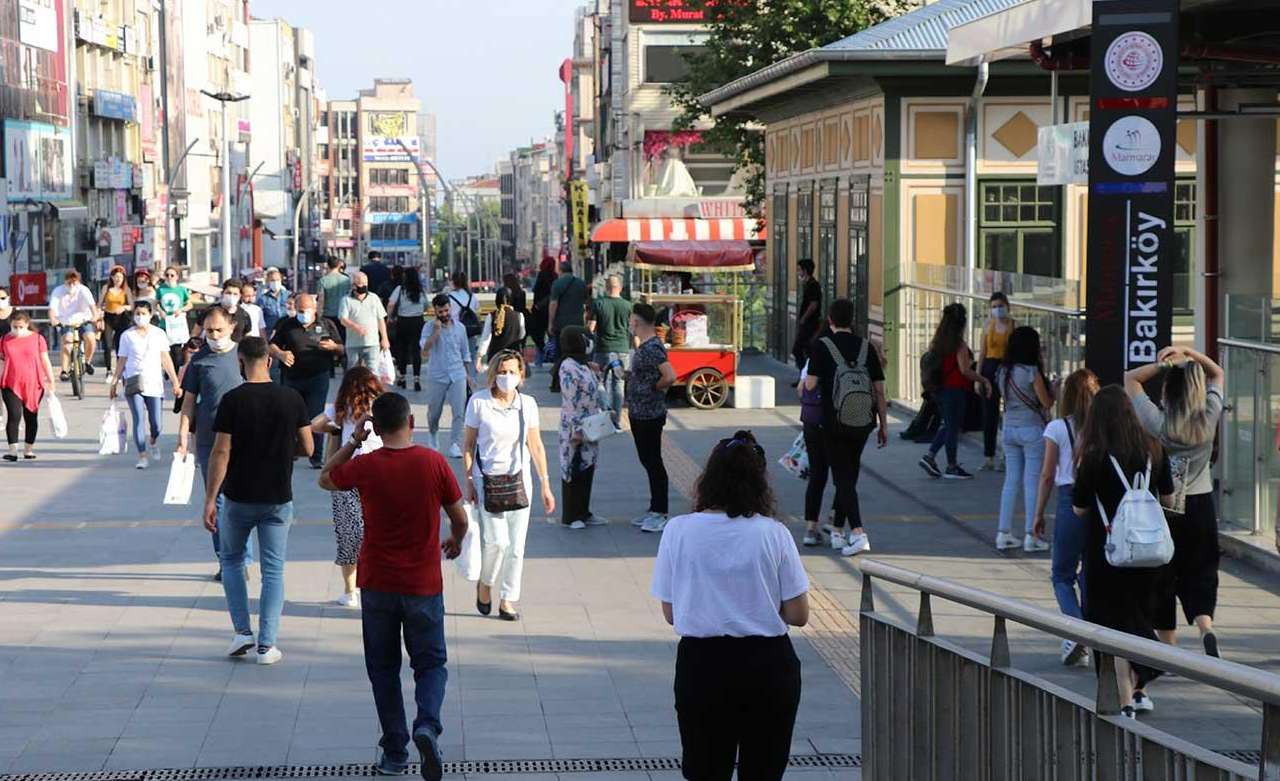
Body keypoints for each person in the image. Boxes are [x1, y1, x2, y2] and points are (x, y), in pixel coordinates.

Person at [319, 392, 467, 780]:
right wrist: (456, 540)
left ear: (377, 428)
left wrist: (353, 439)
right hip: (423, 584)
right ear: (411, 423)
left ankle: (395, 753)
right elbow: (459, 515)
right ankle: (427, 725)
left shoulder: (366, 465)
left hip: (378, 584)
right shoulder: (433, 462)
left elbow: (324, 478)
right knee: (431, 663)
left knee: (383, 669)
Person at [651, 430, 809, 781]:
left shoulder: (678, 531)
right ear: (760, 482)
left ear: (708, 479)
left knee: (705, 768)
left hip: (702, 666)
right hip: (768, 666)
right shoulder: (773, 533)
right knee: (763, 771)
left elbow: (671, 612)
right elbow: (799, 615)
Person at [202, 336, 312, 666]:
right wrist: (284, 452)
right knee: (273, 571)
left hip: (238, 497)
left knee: (233, 561)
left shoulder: (233, 400)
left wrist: (210, 499)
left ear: (240, 362)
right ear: (269, 361)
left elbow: (221, 451)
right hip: (278, 497)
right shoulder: (291, 398)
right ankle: (267, 644)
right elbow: (308, 447)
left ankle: (242, 632)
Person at [1072, 385, 1174, 719]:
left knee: (1109, 624)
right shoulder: (1154, 450)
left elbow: (1079, 508)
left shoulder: (1094, 457)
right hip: (1148, 555)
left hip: (1108, 554)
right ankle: (1139, 686)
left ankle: (1126, 697)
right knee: (1138, 618)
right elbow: (1169, 500)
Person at [1125, 346, 1225, 658]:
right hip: (1201, 504)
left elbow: (1130, 380)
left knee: (1163, 574)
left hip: (1166, 506)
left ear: (1169, 390)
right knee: (1202, 570)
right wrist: (1190, 355)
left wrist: (1165, 365)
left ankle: (1169, 648)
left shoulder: (1159, 423)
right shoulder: (1208, 417)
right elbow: (1218, 373)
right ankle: (1205, 625)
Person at [463, 350, 555, 620]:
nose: (507, 377)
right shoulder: (479, 402)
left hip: (519, 481)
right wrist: (469, 479)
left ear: (521, 375)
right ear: (493, 374)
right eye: (502, 371)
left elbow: (535, 445)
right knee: (496, 542)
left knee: (516, 546)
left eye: (512, 372)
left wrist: (545, 484)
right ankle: (486, 584)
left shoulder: (527, 404)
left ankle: (508, 600)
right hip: (487, 481)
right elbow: (468, 444)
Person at [804, 299, 888, 557]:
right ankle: (839, 532)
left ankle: (859, 533)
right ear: (852, 319)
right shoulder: (866, 347)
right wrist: (884, 426)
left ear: (830, 319)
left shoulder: (823, 346)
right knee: (848, 475)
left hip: (835, 423)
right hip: (863, 422)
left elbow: (809, 385)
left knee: (843, 478)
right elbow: (879, 391)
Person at [1035, 368, 1099, 667]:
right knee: (1088, 573)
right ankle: (1085, 634)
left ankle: (1077, 631)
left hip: (1069, 499)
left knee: (1062, 574)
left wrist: (1037, 514)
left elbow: (1047, 475)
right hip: (1099, 502)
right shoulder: (1103, 427)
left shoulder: (1058, 428)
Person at [178, 307, 247, 581]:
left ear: (231, 327)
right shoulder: (199, 361)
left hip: (243, 439)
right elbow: (187, 402)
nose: (214, 335)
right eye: (209, 331)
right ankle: (226, 560)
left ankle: (241, 556)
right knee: (215, 499)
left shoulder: (244, 356)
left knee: (241, 499)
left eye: (219, 329)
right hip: (208, 440)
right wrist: (183, 435)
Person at [311, 367, 384, 607]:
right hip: (379, 475)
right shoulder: (382, 406)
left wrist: (336, 427)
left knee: (348, 534)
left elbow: (315, 425)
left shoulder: (342, 408)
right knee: (376, 532)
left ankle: (350, 590)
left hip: (348, 474)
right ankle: (373, 584)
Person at [994, 326, 1055, 553]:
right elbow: (1047, 403)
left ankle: (1004, 532)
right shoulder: (1031, 372)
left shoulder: (1003, 371)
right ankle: (1032, 534)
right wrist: (1055, 388)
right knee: (1032, 483)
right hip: (1032, 430)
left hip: (1009, 429)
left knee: (1010, 482)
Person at [270, 294, 345, 468]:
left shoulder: (325, 324)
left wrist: (333, 347)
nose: (303, 314)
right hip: (291, 377)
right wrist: (281, 354)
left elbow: (341, 348)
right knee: (290, 416)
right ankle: (293, 450)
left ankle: (316, 455)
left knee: (315, 415)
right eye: (300, 311)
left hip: (318, 377)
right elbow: (271, 345)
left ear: (314, 309)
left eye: (307, 310)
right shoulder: (287, 325)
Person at [918, 303, 991, 480]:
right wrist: (984, 379)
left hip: (939, 389)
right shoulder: (958, 344)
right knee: (953, 426)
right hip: (954, 389)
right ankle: (950, 466)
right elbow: (965, 370)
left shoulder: (938, 340)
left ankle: (930, 457)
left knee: (950, 425)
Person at [109, 300, 182, 469]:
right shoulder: (127, 336)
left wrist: (175, 381)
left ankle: (153, 440)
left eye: (143, 313)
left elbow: (165, 358)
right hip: (134, 381)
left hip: (154, 383)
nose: (140, 317)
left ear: (150, 315)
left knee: (156, 423)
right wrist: (114, 382)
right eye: (137, 314)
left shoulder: (159, 334)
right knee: (138, 419)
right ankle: (142, 456)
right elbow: (122, 360)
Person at [627, 303, 678, 533]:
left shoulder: (651, 348)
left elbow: (670, 375)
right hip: (640, 413)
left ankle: (661, 511)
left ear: (636, 322)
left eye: (631, 320)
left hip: (649, 413)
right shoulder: (646, 346)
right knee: (648, 461)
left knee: (653, 462)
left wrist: (654, 388)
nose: (630, 324)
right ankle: (654, 508)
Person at [798, 326, 848, 549]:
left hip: (815, 424)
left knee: (817, 477)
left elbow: (803, 389)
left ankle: (810, 529)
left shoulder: (813, 360)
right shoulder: (849, 357)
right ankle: (835, 522)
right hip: (842, 424)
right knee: (845, 477)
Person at [552, 326, 605, 529]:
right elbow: (570, 401)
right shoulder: (568, 366)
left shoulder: (582, 364)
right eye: (585, 338)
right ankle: (571, 516)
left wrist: (595, 372)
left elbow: (591, 390)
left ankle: (584, 511)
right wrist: (576, 430)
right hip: (575, 426)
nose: (588, 341)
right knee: (573, 469)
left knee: (588, 466)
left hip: (591, 425)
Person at [419, 294, 473, 457]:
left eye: (446, 310)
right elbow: (424, 349)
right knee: (434, 411)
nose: (444, 314)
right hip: (437, 375)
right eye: (440, 312)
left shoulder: (460, 328)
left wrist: (467, 376)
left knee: (459, 411)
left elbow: (465, 354)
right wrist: (436, 332)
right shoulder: (429, 327)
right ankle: (433, 434)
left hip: (458, 374)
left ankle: (455, 443)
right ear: (435, 311)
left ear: (450, 308)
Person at [0, 311, 56, 461]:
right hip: (10, 383)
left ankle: (28, 450)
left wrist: (51, 380)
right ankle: (13, 451)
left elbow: (45, 360)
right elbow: (1, 360)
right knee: (14, 415)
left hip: (34, 384)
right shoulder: (5, 339)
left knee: (31, 416)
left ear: (27, 324)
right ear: (10, 324)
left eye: (21, 327)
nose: (18, 330)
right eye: (14, 327)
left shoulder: (38, 339)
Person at [588, 275, 632, 427]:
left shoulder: (598, 304)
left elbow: (591, 328)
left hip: (603, 349)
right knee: (618, 384)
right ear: (619, 288)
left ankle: (605, 407)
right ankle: (617, 419)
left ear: (606, 288)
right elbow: (632, 328)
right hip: (622, 349)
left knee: (598, 380)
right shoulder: (628, 305)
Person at [978, 292, 1014, 471]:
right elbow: (982, 353)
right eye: (993, 307)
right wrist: (978, 378)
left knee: (1009, 414)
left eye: (999, 306)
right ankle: (988, 455)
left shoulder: (1013, 326)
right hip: (990, 369)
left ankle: (1007, 455)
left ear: (1007, 306)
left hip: (1007, 368)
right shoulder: (988, 326)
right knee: (989, 414)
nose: (997, 310)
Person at [48, 269, 100, 378]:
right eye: (69, 283)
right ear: (65, 282)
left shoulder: (84, 290)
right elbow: (52, 308)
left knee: (90, 338)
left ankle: (88, 362)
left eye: (74, 282)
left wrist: (95, 317)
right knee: (66, 343)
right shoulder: (58, 291)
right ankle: (64, 370)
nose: (71, 285)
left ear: (79, 282)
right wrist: (53, 319)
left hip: (84, 320)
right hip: (65, 321)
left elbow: (92, 306)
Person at [340, 271, 391, 369]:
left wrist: (384, 338)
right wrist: (356, 326)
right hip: (353, 344)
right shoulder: (346, 300)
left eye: (365, 284)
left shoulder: (374, 298)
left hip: (372, 343)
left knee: (373, 372)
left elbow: (380, 320)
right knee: (353, 372)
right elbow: (343, 319)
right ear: (353, 285)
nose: (363, 286)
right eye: (360, 284)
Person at [387, 267, 427, 390]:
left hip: (403, 321)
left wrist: (389, 317)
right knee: (416, 351)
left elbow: (391, 303)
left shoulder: (400, 290)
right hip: (417, 322)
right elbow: (427, 305)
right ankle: (416, 378)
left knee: (402, 350)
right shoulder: (420, 291)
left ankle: (402, 377)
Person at [475, 287, 525, 373]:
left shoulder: (491, 316)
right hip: (513, 357)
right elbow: (522, 335)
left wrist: (479, 358)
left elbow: (485, 339)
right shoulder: (519, 316)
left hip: (495, 358)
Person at [156, 267, 194, 371]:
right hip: (164, 324)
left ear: (177, 277)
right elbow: (156, 303)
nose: (169, 277)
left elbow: (190, 304)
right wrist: (160, 311)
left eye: (172, 275)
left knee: (176, 352)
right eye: (167, 275)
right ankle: (167, 370)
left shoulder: (182, 289)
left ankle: (175, 373)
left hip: (177, 325)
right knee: (164, 350)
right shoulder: (160, 289)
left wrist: (181, 310)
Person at [547, 260, 587, 356]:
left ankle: (562, 368)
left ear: (560, 271)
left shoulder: (557, 284)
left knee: (561, 351)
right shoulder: (581, 283)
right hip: (578, 323)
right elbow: (586, 302)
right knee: (576, 349)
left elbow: (553, 304)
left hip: (561, 324)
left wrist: (550, 323)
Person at [193, 279, 252, 343]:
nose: (231, 296)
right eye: (228, 293)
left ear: (240, 296)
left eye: (235, 294)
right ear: (222, 293)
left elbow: (247, 336)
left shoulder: (244, 315)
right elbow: (196, 332)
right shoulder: (210, 311)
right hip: (211, 350)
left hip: (235, 351)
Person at [792, 259, 822, 386]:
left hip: (810, 323)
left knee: (798, 349)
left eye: (799, 269)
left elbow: (814, 304)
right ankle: (805, 377)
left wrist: (804, 318)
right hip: (808, 323)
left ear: (805, 270)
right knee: (806, 350)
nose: (798, 272)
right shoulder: (808, 284)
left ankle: (805, 377)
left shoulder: (813, 285)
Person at [97, 265, 133, 372]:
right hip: (108, 317)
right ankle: (108, 370)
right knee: (107, 344)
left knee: (119, 345)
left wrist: (123, 307)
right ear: (112, 277)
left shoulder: (126, 290)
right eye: (116, 277)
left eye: (121, 277)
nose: (118, 280)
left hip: (121, 318)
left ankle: (120, 369)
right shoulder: (106, 288)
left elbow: (131, 306)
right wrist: (99, 316)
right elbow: (99, 304)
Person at [318, 256, 352, 342]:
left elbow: (321, 299)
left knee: (330, 340)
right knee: (343, 339)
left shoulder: (323, 281)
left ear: (328, 265)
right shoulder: (347, 280)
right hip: (344, 315)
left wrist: (318, 315)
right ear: (339, 265)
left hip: (328, 315)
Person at [529, 256, 555, 367]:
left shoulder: (541, 275)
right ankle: (553, 359)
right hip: (551, 311)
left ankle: (539, 361)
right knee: (552, 336)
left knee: (538, 336)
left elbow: (536, 291)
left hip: (539, 311)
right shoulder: (555, 276)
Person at [259, 268, 290, 339]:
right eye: (272, 280)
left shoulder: (288, 295)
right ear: (268, 282)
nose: (275, 282)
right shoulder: (263, 299)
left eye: (277, 280)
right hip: (270, 334)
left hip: (286, 332)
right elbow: (260, 319)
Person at [502, 272, 529, 350]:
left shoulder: (506, 294)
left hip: (509, 319)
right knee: (521, 343)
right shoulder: (522, 293)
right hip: (522, 318)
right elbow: (522, 307)